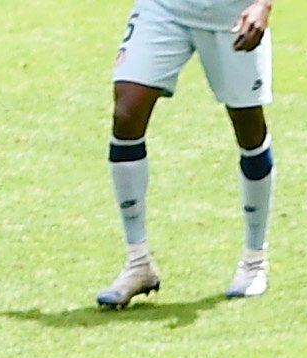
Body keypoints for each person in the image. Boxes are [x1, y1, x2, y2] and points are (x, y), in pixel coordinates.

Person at [97, 0, 278, 307]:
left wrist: (263, 4)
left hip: (231, 16)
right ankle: (138, 261)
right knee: (127, 114)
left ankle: (254, 259)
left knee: (248, 129)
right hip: (165, 8)